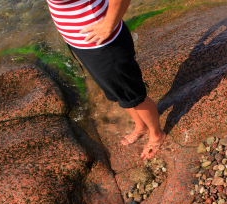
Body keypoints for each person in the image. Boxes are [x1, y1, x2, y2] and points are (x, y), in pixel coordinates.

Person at [46, 0, 165, 160]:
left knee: (134, 97)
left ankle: (157, 134)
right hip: (85, 45)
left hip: (105, 46)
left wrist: (109, 23)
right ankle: (141, 125)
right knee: (119, 94)